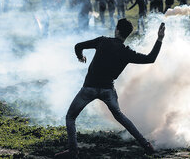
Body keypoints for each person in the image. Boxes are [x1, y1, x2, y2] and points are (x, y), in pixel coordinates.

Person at [55, 18, 165, 159]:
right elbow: (151, 58)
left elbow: (78, 46)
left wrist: (80, 56)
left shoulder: (103, 41)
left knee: (70, 117)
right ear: (127, 34)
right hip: (108, 90)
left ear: (117, 30)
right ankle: (146, 145)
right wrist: (159, 39)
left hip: (89, 87)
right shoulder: (126, 52)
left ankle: (73, 151)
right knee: (121, 117)